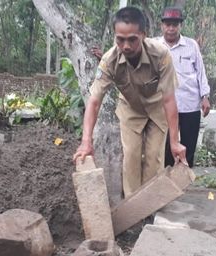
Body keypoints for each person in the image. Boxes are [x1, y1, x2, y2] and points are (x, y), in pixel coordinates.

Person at [73, 6, 187, 197]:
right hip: (130, 109)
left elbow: (169, 99)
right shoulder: (109, 60)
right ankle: (133, 211)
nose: (126, 45)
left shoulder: (161, 55)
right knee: (131, 158)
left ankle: (150, 206)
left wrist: (175, 142)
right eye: (120, 39)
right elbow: (94, 102)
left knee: (154, 159)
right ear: (115, 36)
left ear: (143, 34)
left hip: (157, 107)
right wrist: (86, 141)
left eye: (132, 39)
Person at [157, 7, 210, 168]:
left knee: (189, 146)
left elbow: (200, 71)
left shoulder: (191, 45)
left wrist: (205, 96)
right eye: (168, 24)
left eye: (175, 24)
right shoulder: (154, 46)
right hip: (164, 105)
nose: (171, 28)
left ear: (180, 26)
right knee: (166, 147)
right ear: (162, 26)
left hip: (189, 104)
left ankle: (185, 180)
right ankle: (167, 181)